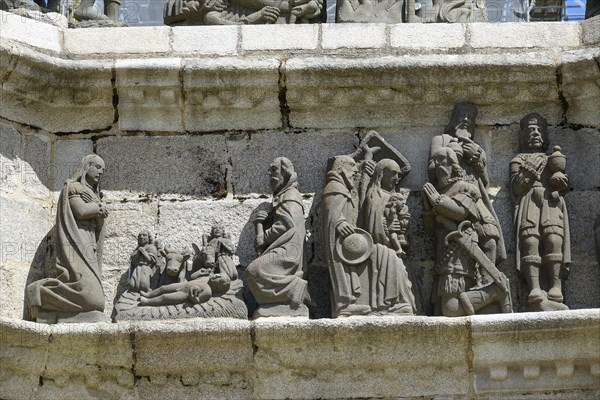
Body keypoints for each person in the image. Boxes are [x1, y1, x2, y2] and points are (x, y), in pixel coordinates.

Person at [423, 148, 511, 316]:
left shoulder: (464, 187)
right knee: (440, 310)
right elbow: (430, 230)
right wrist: (428, 211)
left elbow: (460, 212)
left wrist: (437, 201)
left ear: (453, 164)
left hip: (460, 253)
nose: (438, 166)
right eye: (435, 162)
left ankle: (495, 292)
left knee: (451, 309)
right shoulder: (438, 192)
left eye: (442, 160)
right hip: (444, 254)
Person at [26, 155, 109, 323]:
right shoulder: (74, 187)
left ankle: (50, 308)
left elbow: (98, 225)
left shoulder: (94, 195)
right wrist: (98, 207)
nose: (100, 172)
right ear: (87, 166)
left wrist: (100, 211)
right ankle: (38, 293)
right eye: (98, 167)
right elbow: (80, 211)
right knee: (93, 299)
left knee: (97, 301)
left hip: (89, 242)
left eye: (103, 170)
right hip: (76, 241)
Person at [509, 113, 570, 311]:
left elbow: (563, 185)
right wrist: (528, 171)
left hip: (550, 200)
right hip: (529, 201)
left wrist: (560, 183)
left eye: (539, 130)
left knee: (554, 239)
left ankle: (555, 286)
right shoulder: (518, 160)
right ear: (522, 135)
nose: (535, 134)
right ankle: (534, 288)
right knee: (530, 241)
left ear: (545, 135)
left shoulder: (552, 159)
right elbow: (516, 188)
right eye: (530, 130)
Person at [244, 157, 312, 317]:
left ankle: (297, 289)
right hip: (284, 246)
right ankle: (286, 296)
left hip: (289, 251)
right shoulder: (285, 195)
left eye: (274, 170)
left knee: (254, 271)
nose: (270, 174)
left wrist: (263, 236)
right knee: (252, 272)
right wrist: (261, 225)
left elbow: (286, 225)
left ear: (286, 173)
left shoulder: (290, 195)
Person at [359, 159, 416, 313]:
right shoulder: (374, 194)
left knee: (404, 275)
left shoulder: (393, 196)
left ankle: (399, 302)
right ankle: (390, 303)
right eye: (393, 174)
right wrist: (387, 228)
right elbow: (372, 224)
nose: (397, 178)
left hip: (393, 245)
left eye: (398, 175)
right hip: (382, 245)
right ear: (381, 174)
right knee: (395, 268)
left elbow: (401, 222)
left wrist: (403, 223)